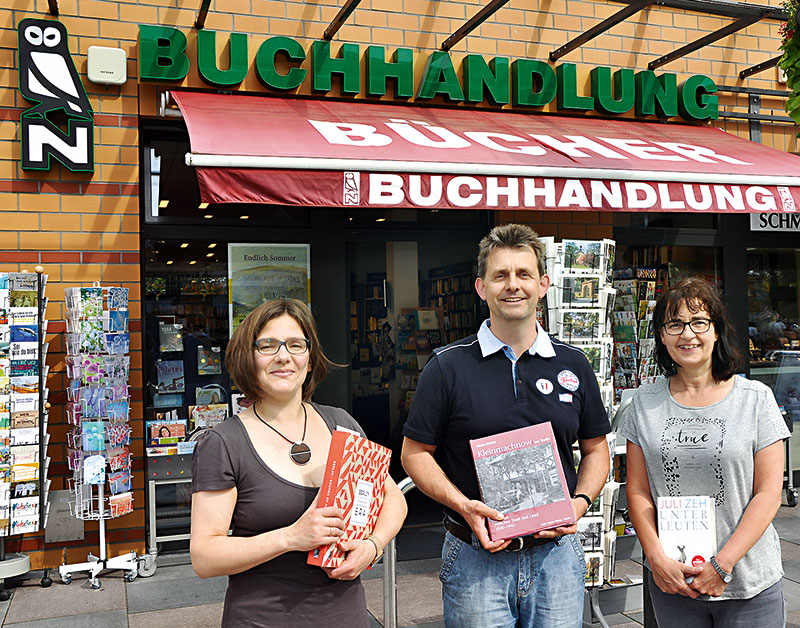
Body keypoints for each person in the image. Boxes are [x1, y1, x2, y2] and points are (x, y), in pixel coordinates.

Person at [401, 223, 611, 628]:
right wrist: (462, 505)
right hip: (475, 559)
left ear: (543, 284)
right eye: (500, 275)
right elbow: (414, 454)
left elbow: (596, 448)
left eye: (523, 274)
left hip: (557, 560)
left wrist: (580, 502)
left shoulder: (574, 364)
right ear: (481, 287)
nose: (512, 285)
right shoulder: (447, 366)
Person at [190, 299, 407, 627]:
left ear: (309, 359)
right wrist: (290, 537)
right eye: (268, 345)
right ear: (248, 358)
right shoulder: (223, 443)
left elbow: (393, 497)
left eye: (295, 344)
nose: (283, 356)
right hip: (262, 618)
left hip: (345, 614)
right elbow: (204, 557)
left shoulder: (341, 424)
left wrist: (373, 546)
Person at [619, 277, 789, 628]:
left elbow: (769, 494)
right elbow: (638, 491)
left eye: (699, 322)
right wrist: (655, 558)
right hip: (674, 581)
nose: (687, 334)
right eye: (675, 324)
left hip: (749, 583)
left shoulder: (755, 399)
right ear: (662, 336)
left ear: (716, 331)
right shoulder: (644, 405)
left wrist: (722, 564)